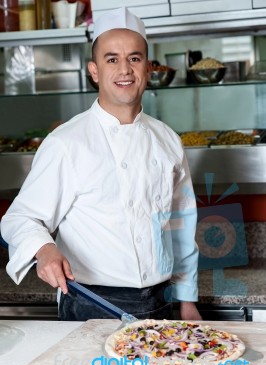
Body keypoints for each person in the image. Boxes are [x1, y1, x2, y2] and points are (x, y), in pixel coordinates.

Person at [1, 7, 201, 321]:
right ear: (94, 71)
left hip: (160, 301)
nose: (125, 70)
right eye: (112, 59)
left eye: (134, 58)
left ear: (147, 68)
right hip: (91, 302)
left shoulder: (168, 140)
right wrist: (44, 248)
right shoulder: (65, 143)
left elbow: (181, 224)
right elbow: (20, 218)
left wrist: (187, 300)